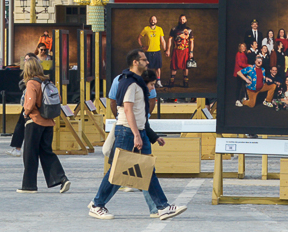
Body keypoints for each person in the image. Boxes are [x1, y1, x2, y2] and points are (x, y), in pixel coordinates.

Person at [89, 49, 185, 220]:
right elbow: (127, 109)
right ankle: (97, 205)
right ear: (135, 62)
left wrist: (152, 136)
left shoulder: (135, 81)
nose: (147, 62)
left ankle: (162, 207)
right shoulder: (130, 83)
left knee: (147, 169)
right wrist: (136, 134)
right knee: (118, 170)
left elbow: (139, 113)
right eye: (143, 60)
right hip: (127, 131)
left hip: (134, 131)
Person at [18, 54, 69, 194]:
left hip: (34, 121)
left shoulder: (31, 83)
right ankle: (61, 178)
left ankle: (29, 185)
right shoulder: (47, 82)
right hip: (48, 122)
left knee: (30, 153)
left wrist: (25, 113)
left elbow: (30, 103)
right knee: (46, 152)